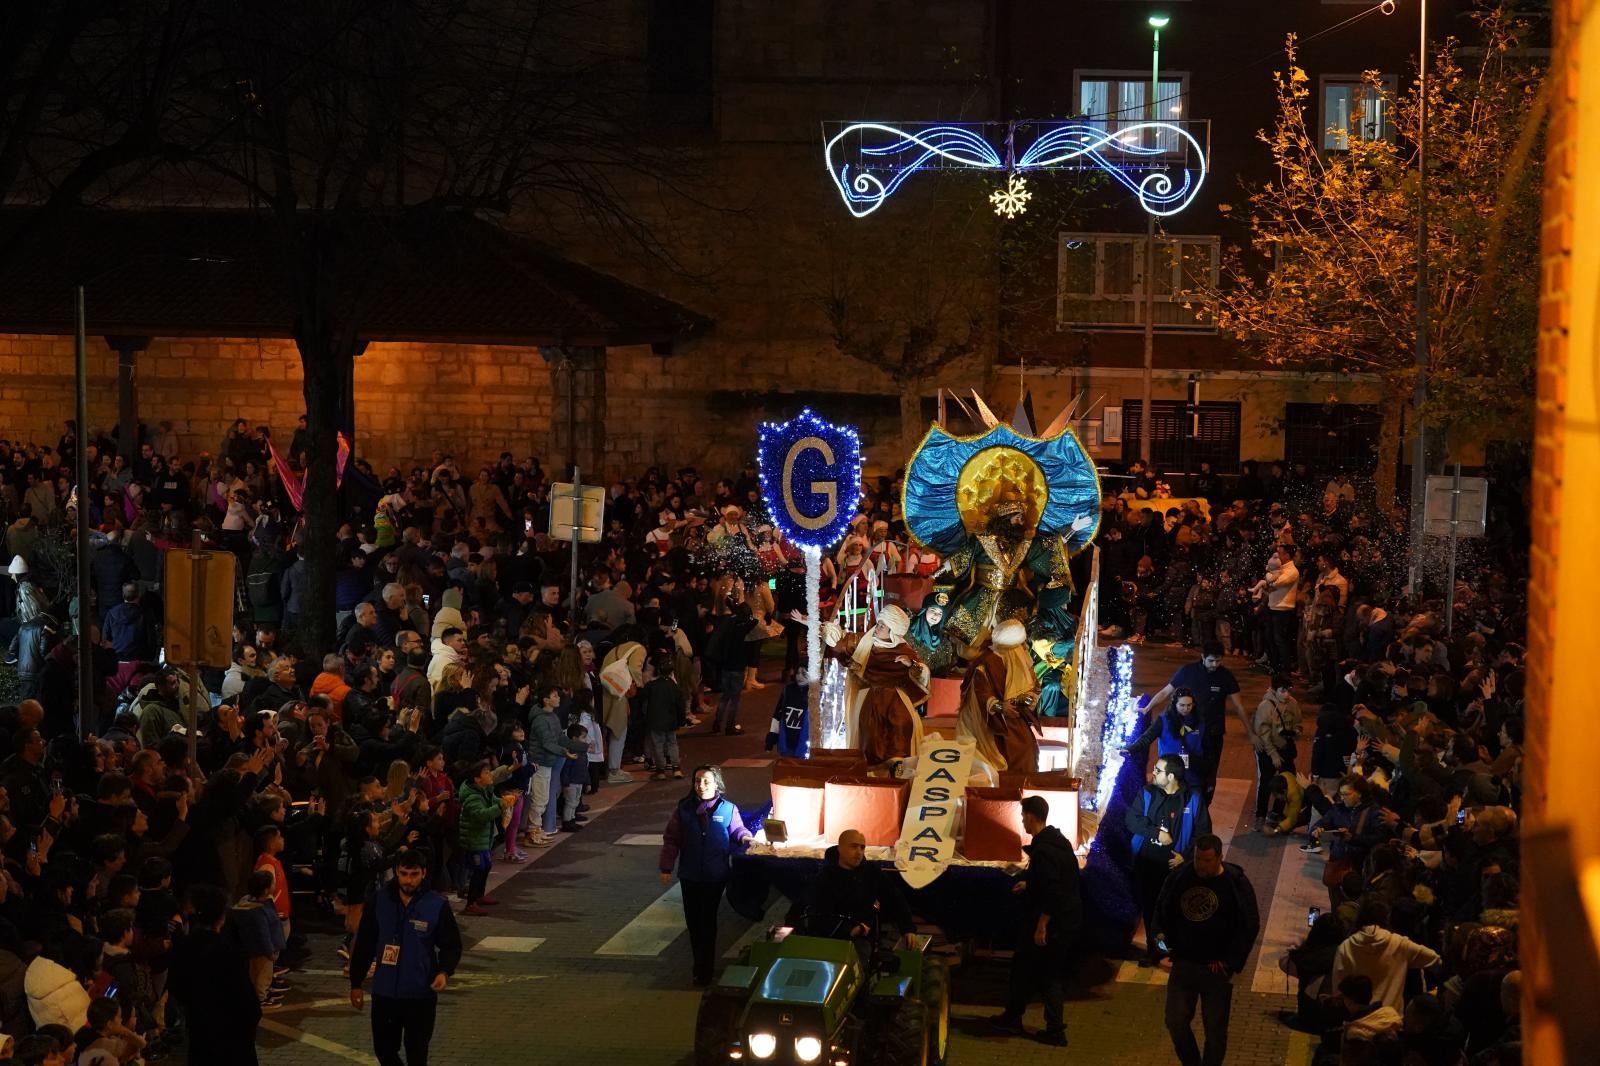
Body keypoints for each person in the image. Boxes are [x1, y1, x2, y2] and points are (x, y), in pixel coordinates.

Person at [349, 850, 463, 1066]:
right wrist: (356, 982)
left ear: (424, 873)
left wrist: (444, 971)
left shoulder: (436, 905)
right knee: (383, 1050)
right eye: (404, 874)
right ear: (396, 872)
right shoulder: (379, 901)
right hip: (385, 993)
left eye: (414, 874)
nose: (408, 880)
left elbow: (451, 945)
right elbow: (365, 943)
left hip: (420, 995)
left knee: (417, 1054)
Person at [1153, 834, 1260, 1066]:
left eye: (1208, 860)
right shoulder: (1181, 876)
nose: (1201, 865)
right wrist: (1162, 936)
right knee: (1175, 1021)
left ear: (1219, 857)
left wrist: (1230, 961)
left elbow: (1249, 924)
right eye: (1198, 859)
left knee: (1215, 1031)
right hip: (1184, 962)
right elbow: (1163, 906)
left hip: (1216, 969)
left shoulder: (1235, 883)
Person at [989, 796, 1082, 1047]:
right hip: (1066, 921)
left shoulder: (1043, 850)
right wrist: (1029, 883)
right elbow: (1057, 880)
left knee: (1045, 975)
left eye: (1023, 817)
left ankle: (1054, 1030)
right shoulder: (1058, 842)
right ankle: (1015, 1017)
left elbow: (1053, 892)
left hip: (1051, 925)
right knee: (1028, 970)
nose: (1022, 821)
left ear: (1031, 816)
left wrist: (1042, 925)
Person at [658, 765, 752, 986]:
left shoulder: (728, 809)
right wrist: (666, 866)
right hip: (690, 875)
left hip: (715, 875)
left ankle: (705, 970)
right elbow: (672, 839)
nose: (701, 786)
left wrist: (747, 838)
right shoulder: (684, 809)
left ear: (716, 783)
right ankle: (698, 966)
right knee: (693, 922)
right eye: (697, 781)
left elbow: (737, 830)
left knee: (707, 922)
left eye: (706, 781)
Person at [1125, 754, 1212, 966]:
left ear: (1171, 776)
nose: (1153, 773)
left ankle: (1176, 950)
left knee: (1177, 909)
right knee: (1151, 909)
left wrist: (1186, 856)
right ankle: (1154, 950)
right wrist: (1156, 833)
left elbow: (1203, 833)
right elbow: (1132, 820)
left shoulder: (1193, 798)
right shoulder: (1147, 793)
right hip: (1147, 864)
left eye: (1158, 770)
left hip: (1177, 869)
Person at [1141, 641, 1249, 800]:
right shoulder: (1187, 672)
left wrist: (1250, 732)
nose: (1215, 664)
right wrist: (1147, 708)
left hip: (1213, 733)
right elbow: (1166, 692)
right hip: (1189, 731)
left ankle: (1203, 806)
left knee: (1210, 772)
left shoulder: (1225, 676)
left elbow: (1239, 706)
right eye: (1211, 660)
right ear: (1203, 657)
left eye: (1219, 661)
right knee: (1184, 769)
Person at [169, 884, 262, 1066]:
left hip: (200, 1030)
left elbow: (178, 989)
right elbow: (247, 1000)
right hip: (232, 1035)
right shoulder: (229, 951)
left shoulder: (185, 947)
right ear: (221, 917)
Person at [797, 829, 911, 941]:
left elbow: (895, 897)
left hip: (862, 937)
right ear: (840, 849)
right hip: (828, 939)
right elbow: (812, 911)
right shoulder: (824, 876)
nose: (859, 852)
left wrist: (908, 930)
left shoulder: (871, 871)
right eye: (854, 846)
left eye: (862, 848)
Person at [1329, 898, 1440, 1012]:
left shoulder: (1345, 946)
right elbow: (1435, 959)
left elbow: (1338, 990)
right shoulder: (1400, 944)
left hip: (1358, 1019)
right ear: (1387, 919)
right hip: (1390, 1021)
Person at [1250, 675, 1301, 832]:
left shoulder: (1293, 704)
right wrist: (1273, 754)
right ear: (1274, 690)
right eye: (1283, 691)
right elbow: (1263, 734)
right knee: (1266, 782)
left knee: (1288, 779)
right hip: (1267, 750)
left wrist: (1294, 732)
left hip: (1285, 747)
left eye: (1288, 690)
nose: (1286, 694)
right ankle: (1260, 815)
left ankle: (1277, 812)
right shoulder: (1265, 706)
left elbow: (1299, 724)